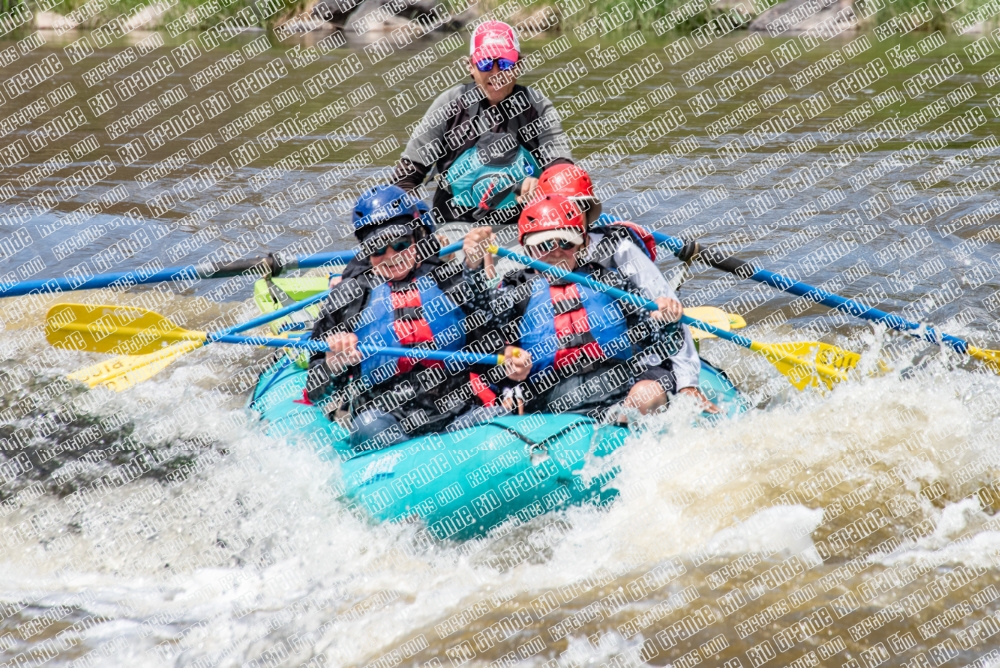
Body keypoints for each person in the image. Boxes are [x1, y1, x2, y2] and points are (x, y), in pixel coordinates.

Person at [305, 185, 531, 451]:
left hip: (455, 413)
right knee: (370, 426)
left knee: (500, 423)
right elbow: (315, 390)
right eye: (378, 248)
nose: (391, 257)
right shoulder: (350, 295)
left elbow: (487, 342)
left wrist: (510, 365)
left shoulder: (448, 281)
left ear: (416, 239)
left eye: (401, 244)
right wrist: (333, 365)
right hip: (384, 418)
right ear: (366, 252)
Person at [463, 194, 711, 419]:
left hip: (616, 396)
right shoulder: (515, 291)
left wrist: (666, 321)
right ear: (528, 248)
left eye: (566, 244)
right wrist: (473, 269)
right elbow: (480, 332)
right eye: (544, 245)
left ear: (581, 245)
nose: (556, 253)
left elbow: (659, 343)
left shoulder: (610, 282)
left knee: (649, 392)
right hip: (546, 405)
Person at [524, 163, 716, 411]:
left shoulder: (618, 251)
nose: (570, 213)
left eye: (578, 206)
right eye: (561, 207)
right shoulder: (531, 256)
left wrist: (688, 383)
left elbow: (667, 309)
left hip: (632, 360)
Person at [391, 20, 573, 239]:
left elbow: (565, 176)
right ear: (471, 66)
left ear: (518, 65)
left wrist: (544, 185)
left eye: (505, 63)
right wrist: (420, 232)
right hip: (453, 230)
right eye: (486, 63)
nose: (496, 72)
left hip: (525, 230)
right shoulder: (449, 105)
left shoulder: (537, 107)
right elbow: (405, 180)